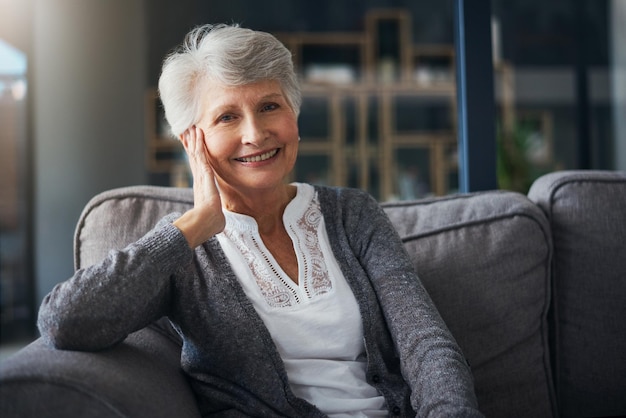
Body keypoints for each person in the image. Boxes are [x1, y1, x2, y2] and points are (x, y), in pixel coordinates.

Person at [38, 23, 483, 417]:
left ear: (294, 115)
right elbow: (65, 321)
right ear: (193, 141)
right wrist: (196, 225)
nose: (255, 133)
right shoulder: (184, 249)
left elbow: (426, 342)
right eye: (227, 116)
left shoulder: (353, 214)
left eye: (270, 106)